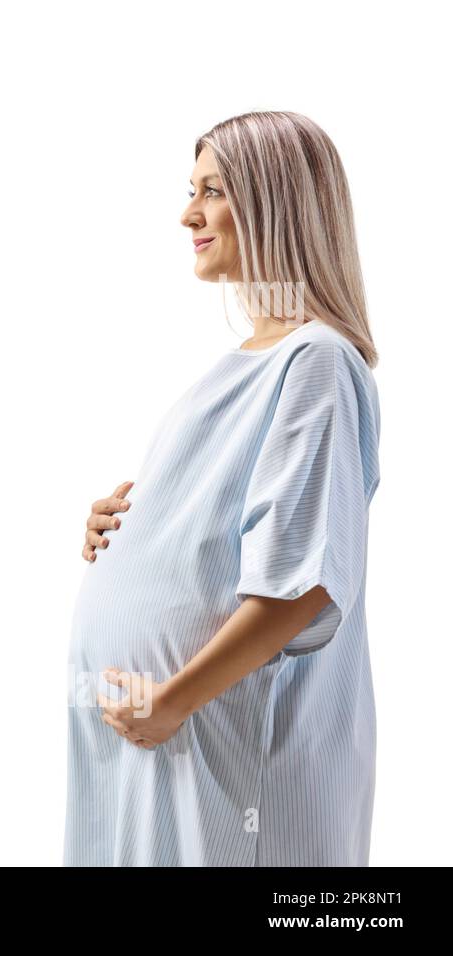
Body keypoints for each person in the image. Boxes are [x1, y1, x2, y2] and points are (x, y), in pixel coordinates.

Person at [64, 111, 381, 866]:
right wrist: (125, 531)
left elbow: (304, 585)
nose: (187, 214)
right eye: (191, 190)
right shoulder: (250, 362)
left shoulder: (317, 361)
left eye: (212, 191)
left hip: (225, 754)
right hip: (170, 743)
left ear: (272, 200)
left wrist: (170, 701)